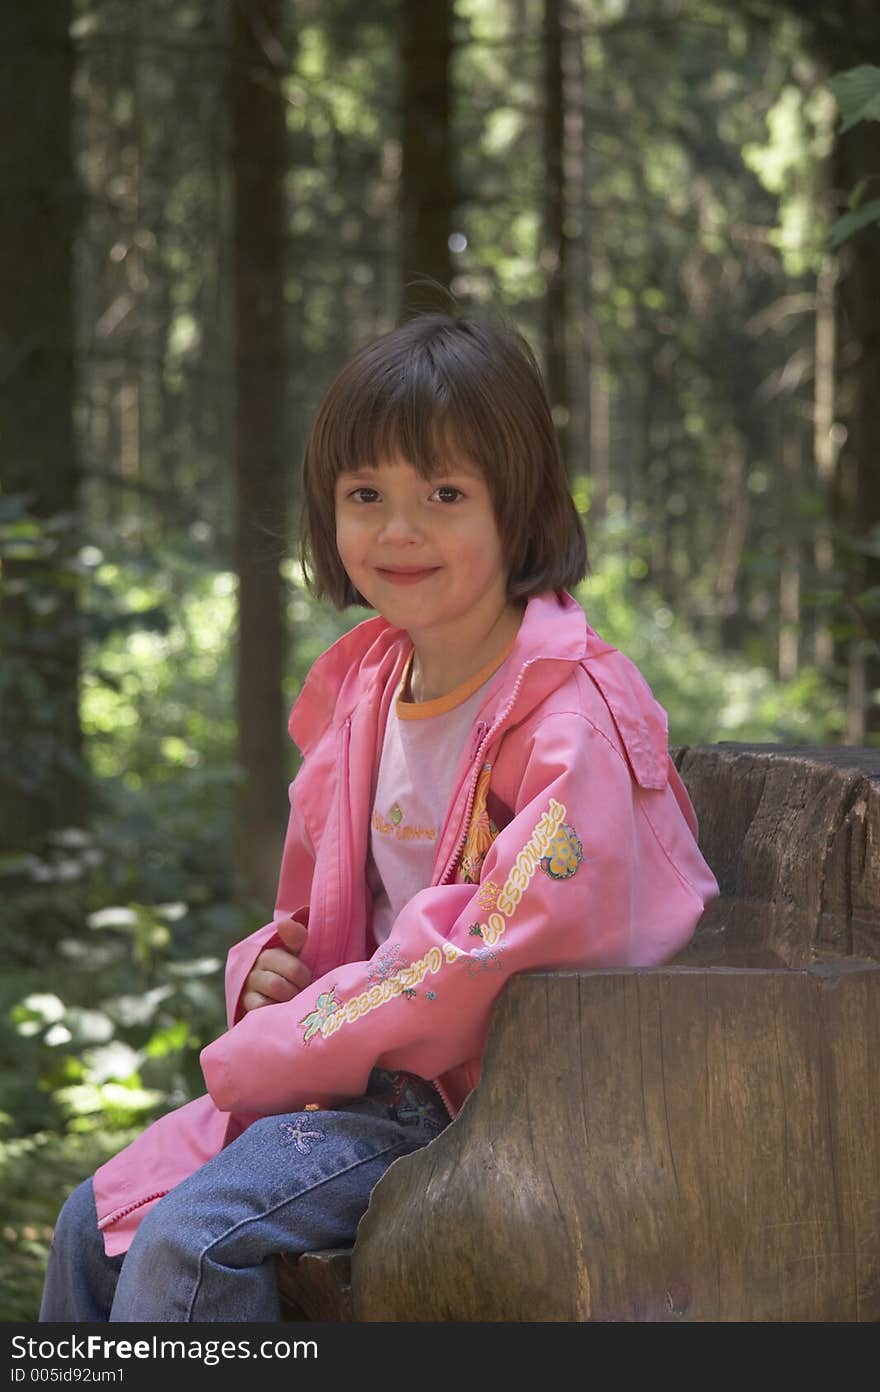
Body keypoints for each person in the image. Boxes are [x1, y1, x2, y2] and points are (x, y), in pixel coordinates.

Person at [40, 311, 719, 1323]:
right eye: (366, 495)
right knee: (90, 1226)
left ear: (518, 508)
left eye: (444, 494)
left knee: (188, 1248)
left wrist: (284, 1043)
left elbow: (494, 952)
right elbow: (321, 918)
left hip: (495, 1106)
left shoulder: (570, 717)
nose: (398, 531)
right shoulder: (364, 686)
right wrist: (268, 970)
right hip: (360, 1083)